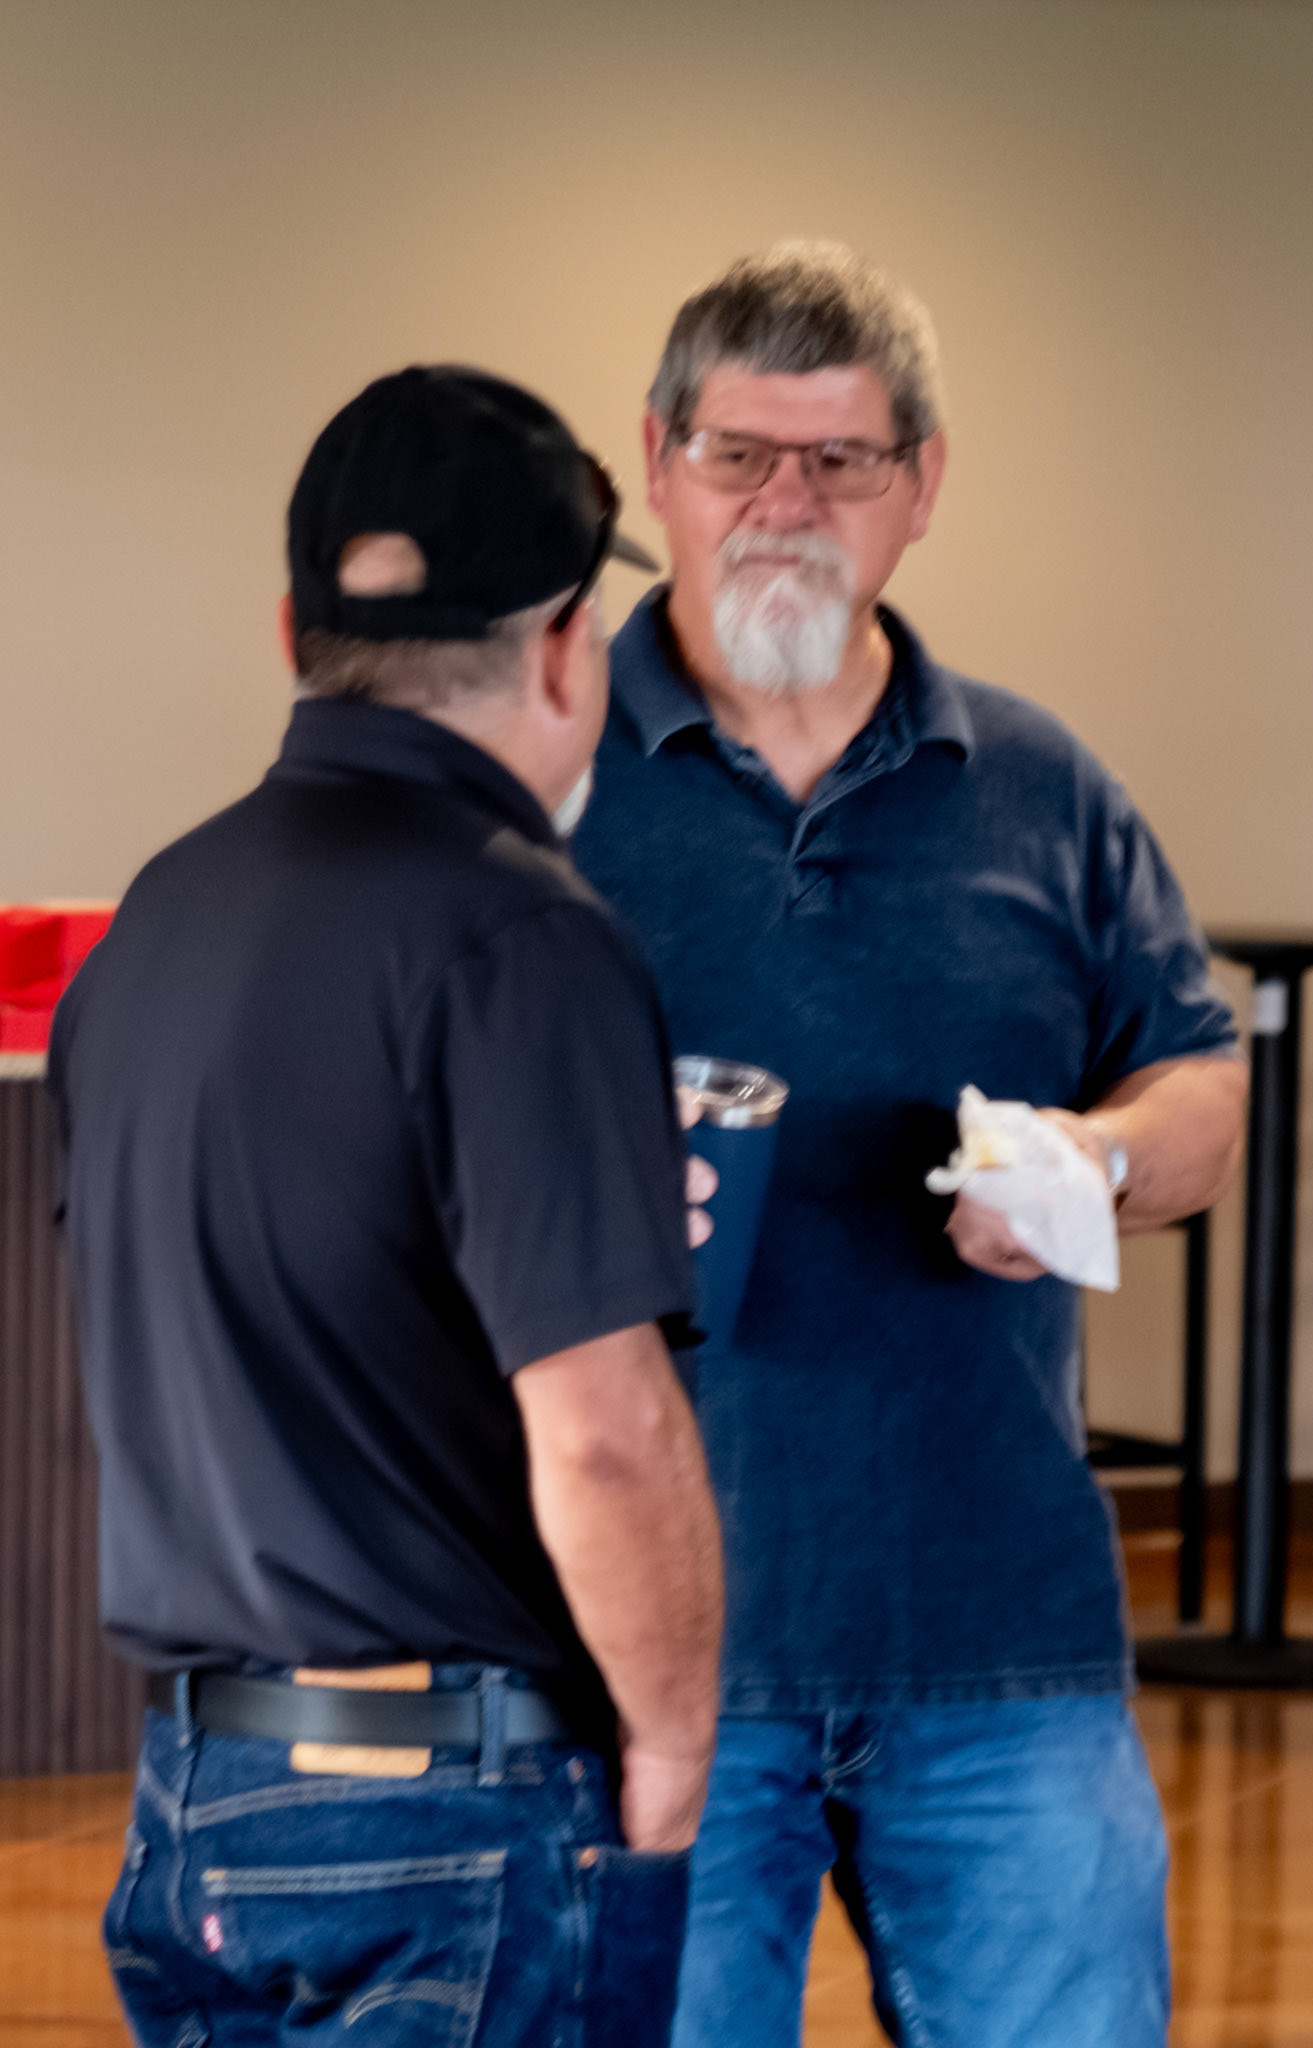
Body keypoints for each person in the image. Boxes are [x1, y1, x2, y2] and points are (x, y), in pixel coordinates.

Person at [572, 243, 1248, 2048]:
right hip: (643, 1653)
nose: (783, 504)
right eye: (737, 455)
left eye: (841, 460)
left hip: (1002, 1644)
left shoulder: (1041, 784)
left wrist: (1095, 1162)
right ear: (657, 463)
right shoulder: (539, 787)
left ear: (922, 482)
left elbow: (1196, 1083)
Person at [49, 364, 723, 2047]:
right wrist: (671, 1749)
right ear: (565, 644)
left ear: (294, 629)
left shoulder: (158, 919)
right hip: (452, 1816)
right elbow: (604, 1434)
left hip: (200, 1798)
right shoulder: (523, 938)